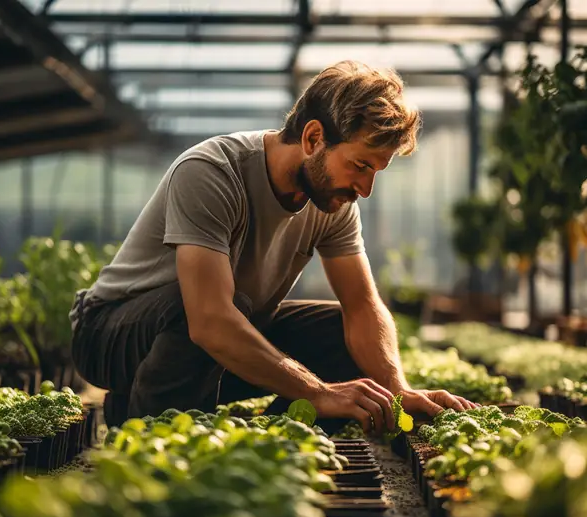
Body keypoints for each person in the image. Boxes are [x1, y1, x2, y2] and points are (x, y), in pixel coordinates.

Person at [70, 60, 477, 433]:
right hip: (110, 333)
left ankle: (279, 443)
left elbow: (363, 307)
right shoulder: (212, 172)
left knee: (345, 334)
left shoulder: (331, 203)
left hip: (212, 336)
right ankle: (153, 432)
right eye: (360, 165)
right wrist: (317, 392)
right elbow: (209, 320)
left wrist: (397, 390)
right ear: (314, 137)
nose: (365, 190)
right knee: (219, 309)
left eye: (376, 173)